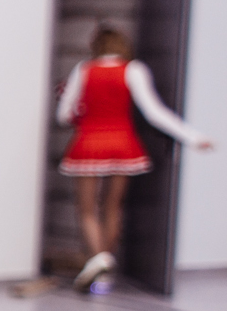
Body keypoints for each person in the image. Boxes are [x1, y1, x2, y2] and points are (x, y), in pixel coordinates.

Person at [56, 24, 213, 290]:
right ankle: (103, 272)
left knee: (87, 209)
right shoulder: (134, 70)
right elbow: (154, 113)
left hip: (89, 143)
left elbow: (63, 115)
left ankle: (98, 260)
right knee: (113, 208)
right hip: (123, 144)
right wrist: (193, 137)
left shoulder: (84, 70)